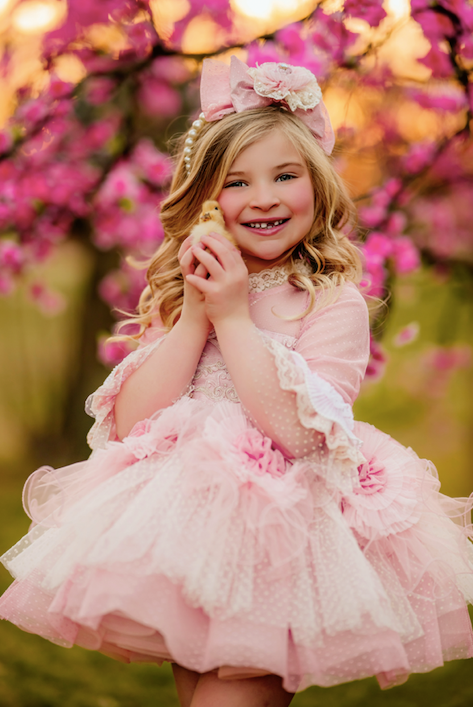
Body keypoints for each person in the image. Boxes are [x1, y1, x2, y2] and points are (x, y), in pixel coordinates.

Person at [1, 56, 472, 707]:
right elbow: (131, 425)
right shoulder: (187, 293)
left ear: (318, 184)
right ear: (205, 203)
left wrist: (232, 314)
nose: (264, 197)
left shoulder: (330, 302)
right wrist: (196, 314)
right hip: (190, 538)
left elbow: (297, 433)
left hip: (280, 544)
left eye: (285, 175)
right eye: (236, 183)